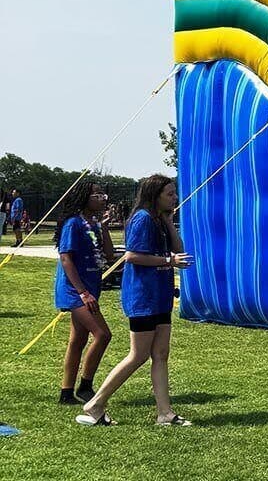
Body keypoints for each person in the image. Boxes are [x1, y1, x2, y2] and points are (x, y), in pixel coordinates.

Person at [78, 176, 194, 427]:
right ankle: (95, 404)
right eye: (170, 194)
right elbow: (132, 256)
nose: (175, 198)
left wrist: (169, 223)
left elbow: (178, 247)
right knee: (138, 355)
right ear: (155, 195)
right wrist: (168, 262)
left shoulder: (160, 220)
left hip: (161, 297)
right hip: (143, 297)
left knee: (161, 354)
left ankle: (165, 414)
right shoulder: (142, 219)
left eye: (175, 193)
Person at [52, 182, 114, 406]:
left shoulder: (94, 224)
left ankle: (66, 393)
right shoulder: (73, 224)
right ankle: (86, 387)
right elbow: (66, 258)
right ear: (84, 198)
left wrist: (105, 227)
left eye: (102, 194)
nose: (102, 198)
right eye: (97, 195)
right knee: (102, 334)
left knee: (77, 340)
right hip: (75, 290)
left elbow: (108, 254)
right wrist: (83, 293)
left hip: (90, 287)